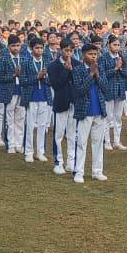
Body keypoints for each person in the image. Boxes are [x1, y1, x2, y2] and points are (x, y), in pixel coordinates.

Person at [71, 43, 110, 183]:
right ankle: (79, 172)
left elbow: (106, 88)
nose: (93, 57)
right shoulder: (78, 70)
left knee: (98, 143)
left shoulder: (100, 68)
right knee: (81, 143)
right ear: (83, 55)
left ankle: (97, 171)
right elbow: (80, 90)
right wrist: (91, 74)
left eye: (95, 54)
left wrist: (97, 75)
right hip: (85, 111)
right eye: (90, 54)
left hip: (99, 110)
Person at [19, 37, 52, 163]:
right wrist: (37, 77)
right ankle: (28, 152)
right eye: (37, 48)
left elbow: (51, 81)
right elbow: (23, 81)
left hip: (44, 96)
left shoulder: (47, 62)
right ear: (31, 49)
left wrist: (45, 77)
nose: (39, 50)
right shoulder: (26, 62)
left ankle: (40, 152)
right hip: (31, 97)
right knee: (30, 125)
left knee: (42, 125)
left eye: (41, 48)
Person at [47, 39, 78, 175]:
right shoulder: (53, 66)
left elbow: (78, 82)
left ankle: (71, 161)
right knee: (58, 134)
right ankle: (58, 162)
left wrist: (72, 69)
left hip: (74, 103)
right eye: (66, 50)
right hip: (61, 102)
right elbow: (56, 84)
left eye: (71, 50)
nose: (69, 53)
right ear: (60, 50)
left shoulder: (77, 64)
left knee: (72, 134)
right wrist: (66, 70)